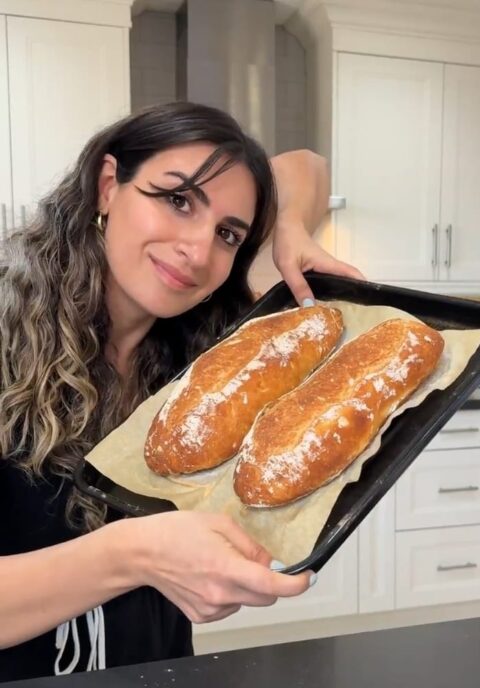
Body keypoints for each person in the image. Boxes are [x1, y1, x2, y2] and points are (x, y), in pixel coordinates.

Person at [0, 101, 363, 681]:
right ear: (108, 185)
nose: (198, 252)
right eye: (177, 199)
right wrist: (138, 555)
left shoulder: (200, 351)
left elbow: (307, 165)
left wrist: (288, 228)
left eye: (228, 234)